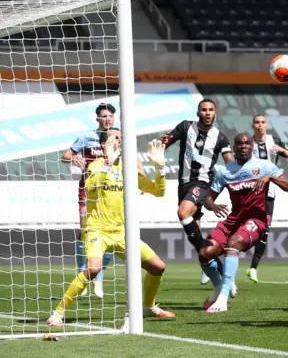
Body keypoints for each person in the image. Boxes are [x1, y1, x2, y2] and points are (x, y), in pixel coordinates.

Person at [48, 130, 174, 326]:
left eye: (122, 139)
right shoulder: (95, 166)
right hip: (97, 230)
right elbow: (90, 188)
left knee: (158, 267)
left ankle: (148, 307)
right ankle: (58, 312)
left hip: (123, 233)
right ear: (105, 144)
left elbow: (158, 191)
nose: (120, 142)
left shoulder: (129, 170)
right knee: (93, 268)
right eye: (116, 138)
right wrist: (107, 164)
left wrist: (160, 169)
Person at [200, 133, 288, 313]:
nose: (243, 146)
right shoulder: (225, 171)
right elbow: (208, 198)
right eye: (239, 143)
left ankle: (223, 296)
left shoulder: (265, 166)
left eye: (247, 143)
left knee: (234, 243)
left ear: (252, 146)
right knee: (205, 253)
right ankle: (217, 286)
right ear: (234, 148)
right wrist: (213, 206)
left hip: (256, 220)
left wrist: (270, 178)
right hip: (233, 220)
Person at [61, 103, 143, 298]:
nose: (108, 119)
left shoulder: (119, 137)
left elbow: (136, 159)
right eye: (104, 116)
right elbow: (65, 155)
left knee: (110, 233)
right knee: (86, 232)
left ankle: (99, 277)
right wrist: (73, 158)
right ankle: (84, 272)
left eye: (111, 116)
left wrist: (141, 177)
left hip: (112, 191)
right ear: (97, 119)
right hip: (89, 191)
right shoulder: (87, 137)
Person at [161, 99, 235, 296]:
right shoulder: (186, 127)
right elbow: (166, 142)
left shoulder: (221, 138)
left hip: (202, 184)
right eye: (204, 109)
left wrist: (241, 174)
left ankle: (215, 269)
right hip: (183, 184)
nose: (208, 113)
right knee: (195, 234)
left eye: (211, 110)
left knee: (182, 212)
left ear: (215, 113)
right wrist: (160, 146)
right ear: (198, 112)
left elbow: (230, 163)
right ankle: (217, 271)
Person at [244, 114, 288, 283]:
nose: (260, 125)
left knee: (265, 230)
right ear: (253, 125)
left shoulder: (274, 141)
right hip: (248, 191)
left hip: (268, 192)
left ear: (266, 125)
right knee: (239, 226)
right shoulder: (247, 142)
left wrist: (282, 150)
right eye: (257, 122)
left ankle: (253, 268)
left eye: (263, 122)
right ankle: (218, 261)